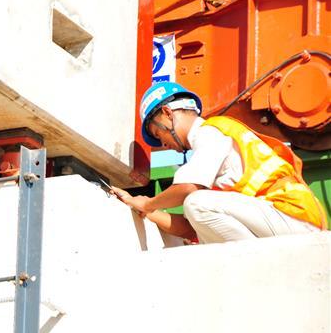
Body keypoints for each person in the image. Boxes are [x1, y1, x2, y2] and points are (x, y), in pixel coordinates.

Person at [110, 81, 326, 244]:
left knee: (195, 202)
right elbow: (190, 228)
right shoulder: (212, 166)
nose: (163, 144)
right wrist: (145, 210)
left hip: (292, 217)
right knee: (199, 218)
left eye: (158, 134)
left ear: (168, 113)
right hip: (285, 223)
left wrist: (148, 202)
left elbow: (188, 188)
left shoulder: (211, 132)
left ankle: (253, 267)